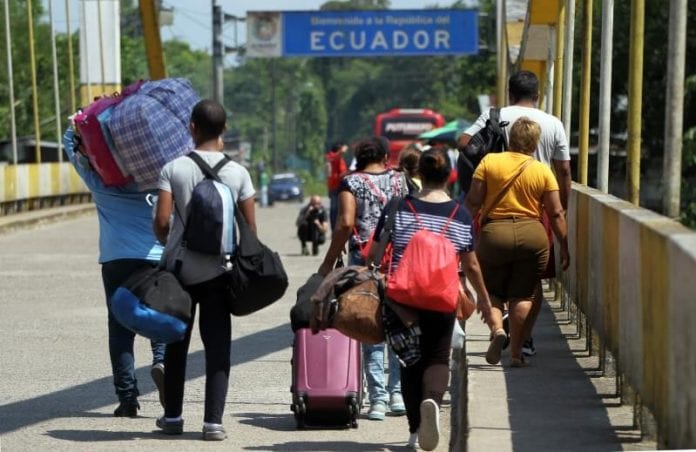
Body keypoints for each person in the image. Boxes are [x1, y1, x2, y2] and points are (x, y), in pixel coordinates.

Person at [372, 148, 493, 450]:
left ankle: (414, 433)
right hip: (442, 297)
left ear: (419, 174)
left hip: (402, 299)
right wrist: (484, 301)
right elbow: (472, 264)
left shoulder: (398, 207)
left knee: (410, 361)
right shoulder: (460, 214)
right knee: (438, 357)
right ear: (449, 175)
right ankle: (433, 401)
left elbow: (375, 255)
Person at [153, 99, 256, 440]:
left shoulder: (173, 169)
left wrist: (172, 239)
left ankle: (172, 418)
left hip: (180, 272)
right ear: (224, 130)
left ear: (191, 128)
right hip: (219, 271)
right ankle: (213, 423)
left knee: (175, 344)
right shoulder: (238, 172)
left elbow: (162, 222)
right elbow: (251, 233)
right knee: (217, 346)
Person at [459, 70, 572, 356]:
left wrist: (490, 146)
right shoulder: (553, 125)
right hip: (538, 214)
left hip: (494, 217)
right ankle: (523, 344)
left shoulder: (493, 118)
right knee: (529, 287)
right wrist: (563, 216)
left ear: (510, 93)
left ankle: (498, 329)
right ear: (538, 96)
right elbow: (565, 170)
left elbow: (464, 143)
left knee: (494, 285)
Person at [63, 127, 166, 418]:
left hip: (115, 258)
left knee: (119, 328)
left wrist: (97, 118)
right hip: (154, 258)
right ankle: (162, 361)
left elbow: (69, 141)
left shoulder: (99, 181)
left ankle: (127, 398)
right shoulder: (155, 179)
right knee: (158, 315)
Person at [318, 137, 409, 421]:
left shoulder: (351, 182)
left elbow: (345, 223)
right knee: (398, 323)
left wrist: (329, 261)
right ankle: (398, 394)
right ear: (385, 157)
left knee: (367, 321)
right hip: (397, 260)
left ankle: (378, 400)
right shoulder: (401, 181)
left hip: (363, 261)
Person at [325, 142, 349, 230]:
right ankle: (336, 229)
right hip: (336, 186)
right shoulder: (333, 157)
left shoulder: (332, 158)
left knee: (336, 209)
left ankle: (336, 229)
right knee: (336, 210)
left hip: (333, 186)